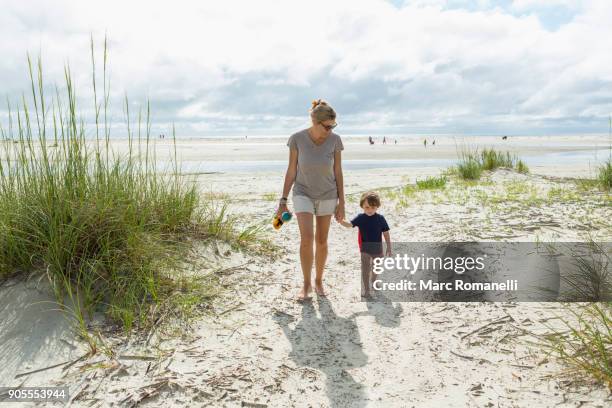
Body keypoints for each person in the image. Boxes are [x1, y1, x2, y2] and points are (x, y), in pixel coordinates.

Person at [277, 99, 345, 301]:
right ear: (315, 122)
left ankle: (318, 280)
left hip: (328, 194)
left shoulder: (335, 141)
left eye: (333, 126)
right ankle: (306, 284)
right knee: (306, 239)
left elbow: (338, 172)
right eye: (327, 126)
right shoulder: (297, 139)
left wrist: (342, 202)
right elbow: (291, 170)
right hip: (302, 192)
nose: (330, 130)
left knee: (321, 241)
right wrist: (282, 201)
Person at [339, 191, 391, 298]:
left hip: (378, 248)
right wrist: (341, 221)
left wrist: (389, 247)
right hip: (365, 249)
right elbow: (349, 224)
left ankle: (373, 281)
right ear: (362, 205)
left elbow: (386, 233)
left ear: (377, 207)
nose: (370, 210)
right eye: (367, 207)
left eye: (373, 207)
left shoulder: (380, 219)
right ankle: (366, 289)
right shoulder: (360, 218)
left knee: (376, 268)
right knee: (365, 269)